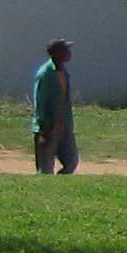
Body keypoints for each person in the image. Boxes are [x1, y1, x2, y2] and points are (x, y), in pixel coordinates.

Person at [30, 39, 78, 175]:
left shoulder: (64, 71)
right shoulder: (45, 74)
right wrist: (43, 128)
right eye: (66, 50)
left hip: (64, 125)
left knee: (71, 161)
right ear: (57, 53)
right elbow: (40, 102)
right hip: (48, 127)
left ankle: (62, 186)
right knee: (45, 169)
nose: (69, 53)